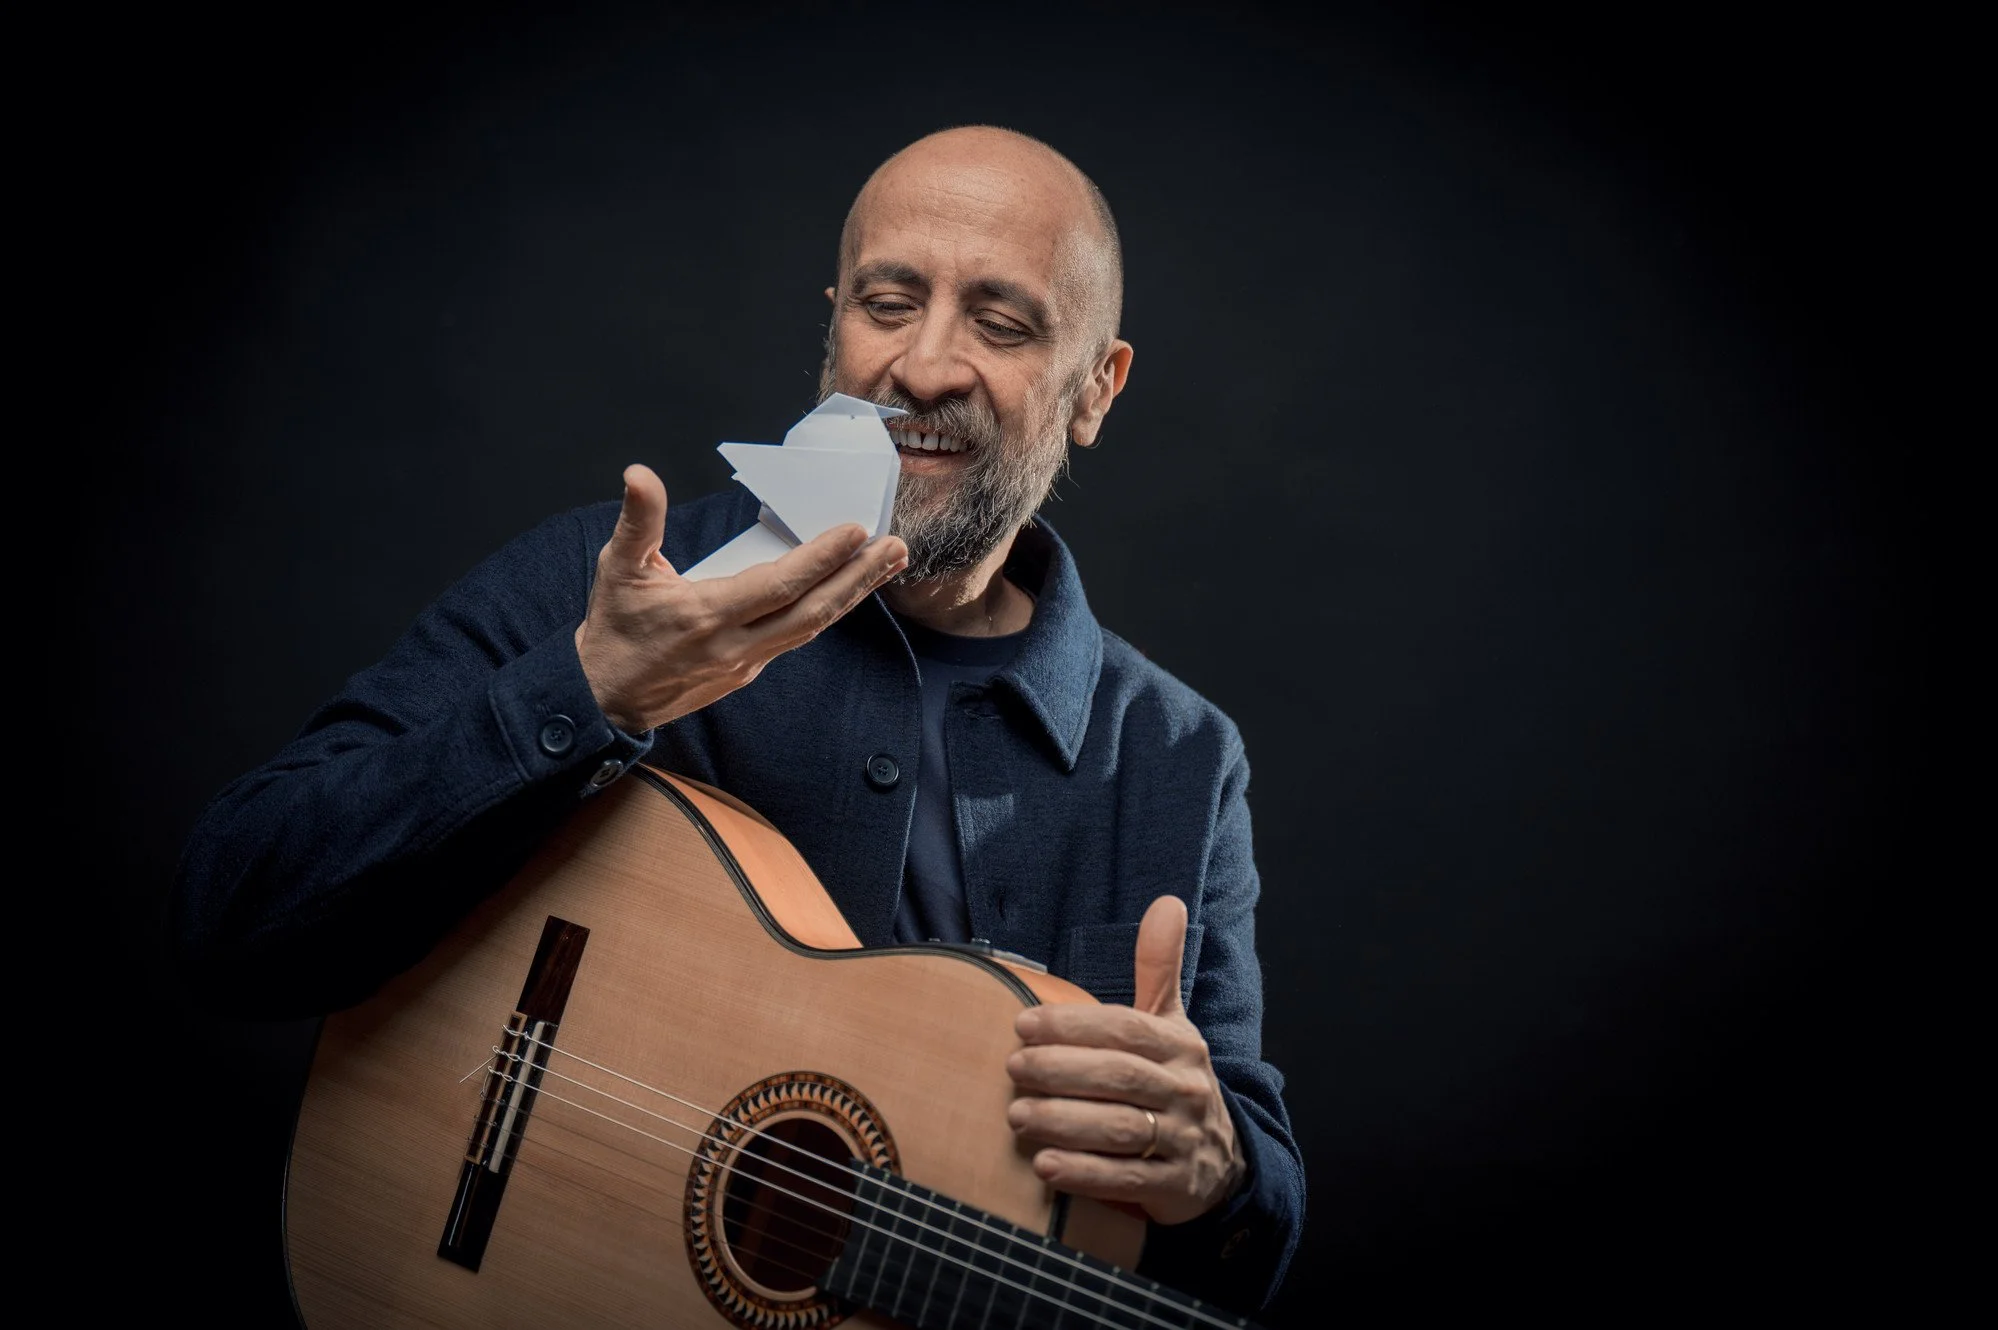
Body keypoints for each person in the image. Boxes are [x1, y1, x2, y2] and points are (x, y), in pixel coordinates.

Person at [172, 123, 1305, 1316]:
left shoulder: (1182, 759)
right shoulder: (612, 587)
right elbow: (232, 916)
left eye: (1000, 322)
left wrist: (1217, 1172)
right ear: (836, 325)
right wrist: (590, 691)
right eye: (887, 303)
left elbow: (1238, 1245)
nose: (925, 367)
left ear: (1096, 389)